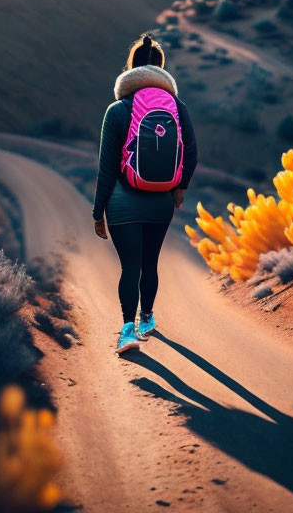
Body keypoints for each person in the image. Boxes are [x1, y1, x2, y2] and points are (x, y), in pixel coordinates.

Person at [92, 34, 198, 355]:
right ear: (161, 69)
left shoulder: (117, 110)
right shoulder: (177, 107)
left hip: (122, 202)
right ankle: (148, 318)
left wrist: (99, 212)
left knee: (131, 266)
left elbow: (107, 167)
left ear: (130, 69)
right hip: (161, 202)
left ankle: (127, 331)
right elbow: (191, 152)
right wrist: (180, 187)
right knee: (150, 262)